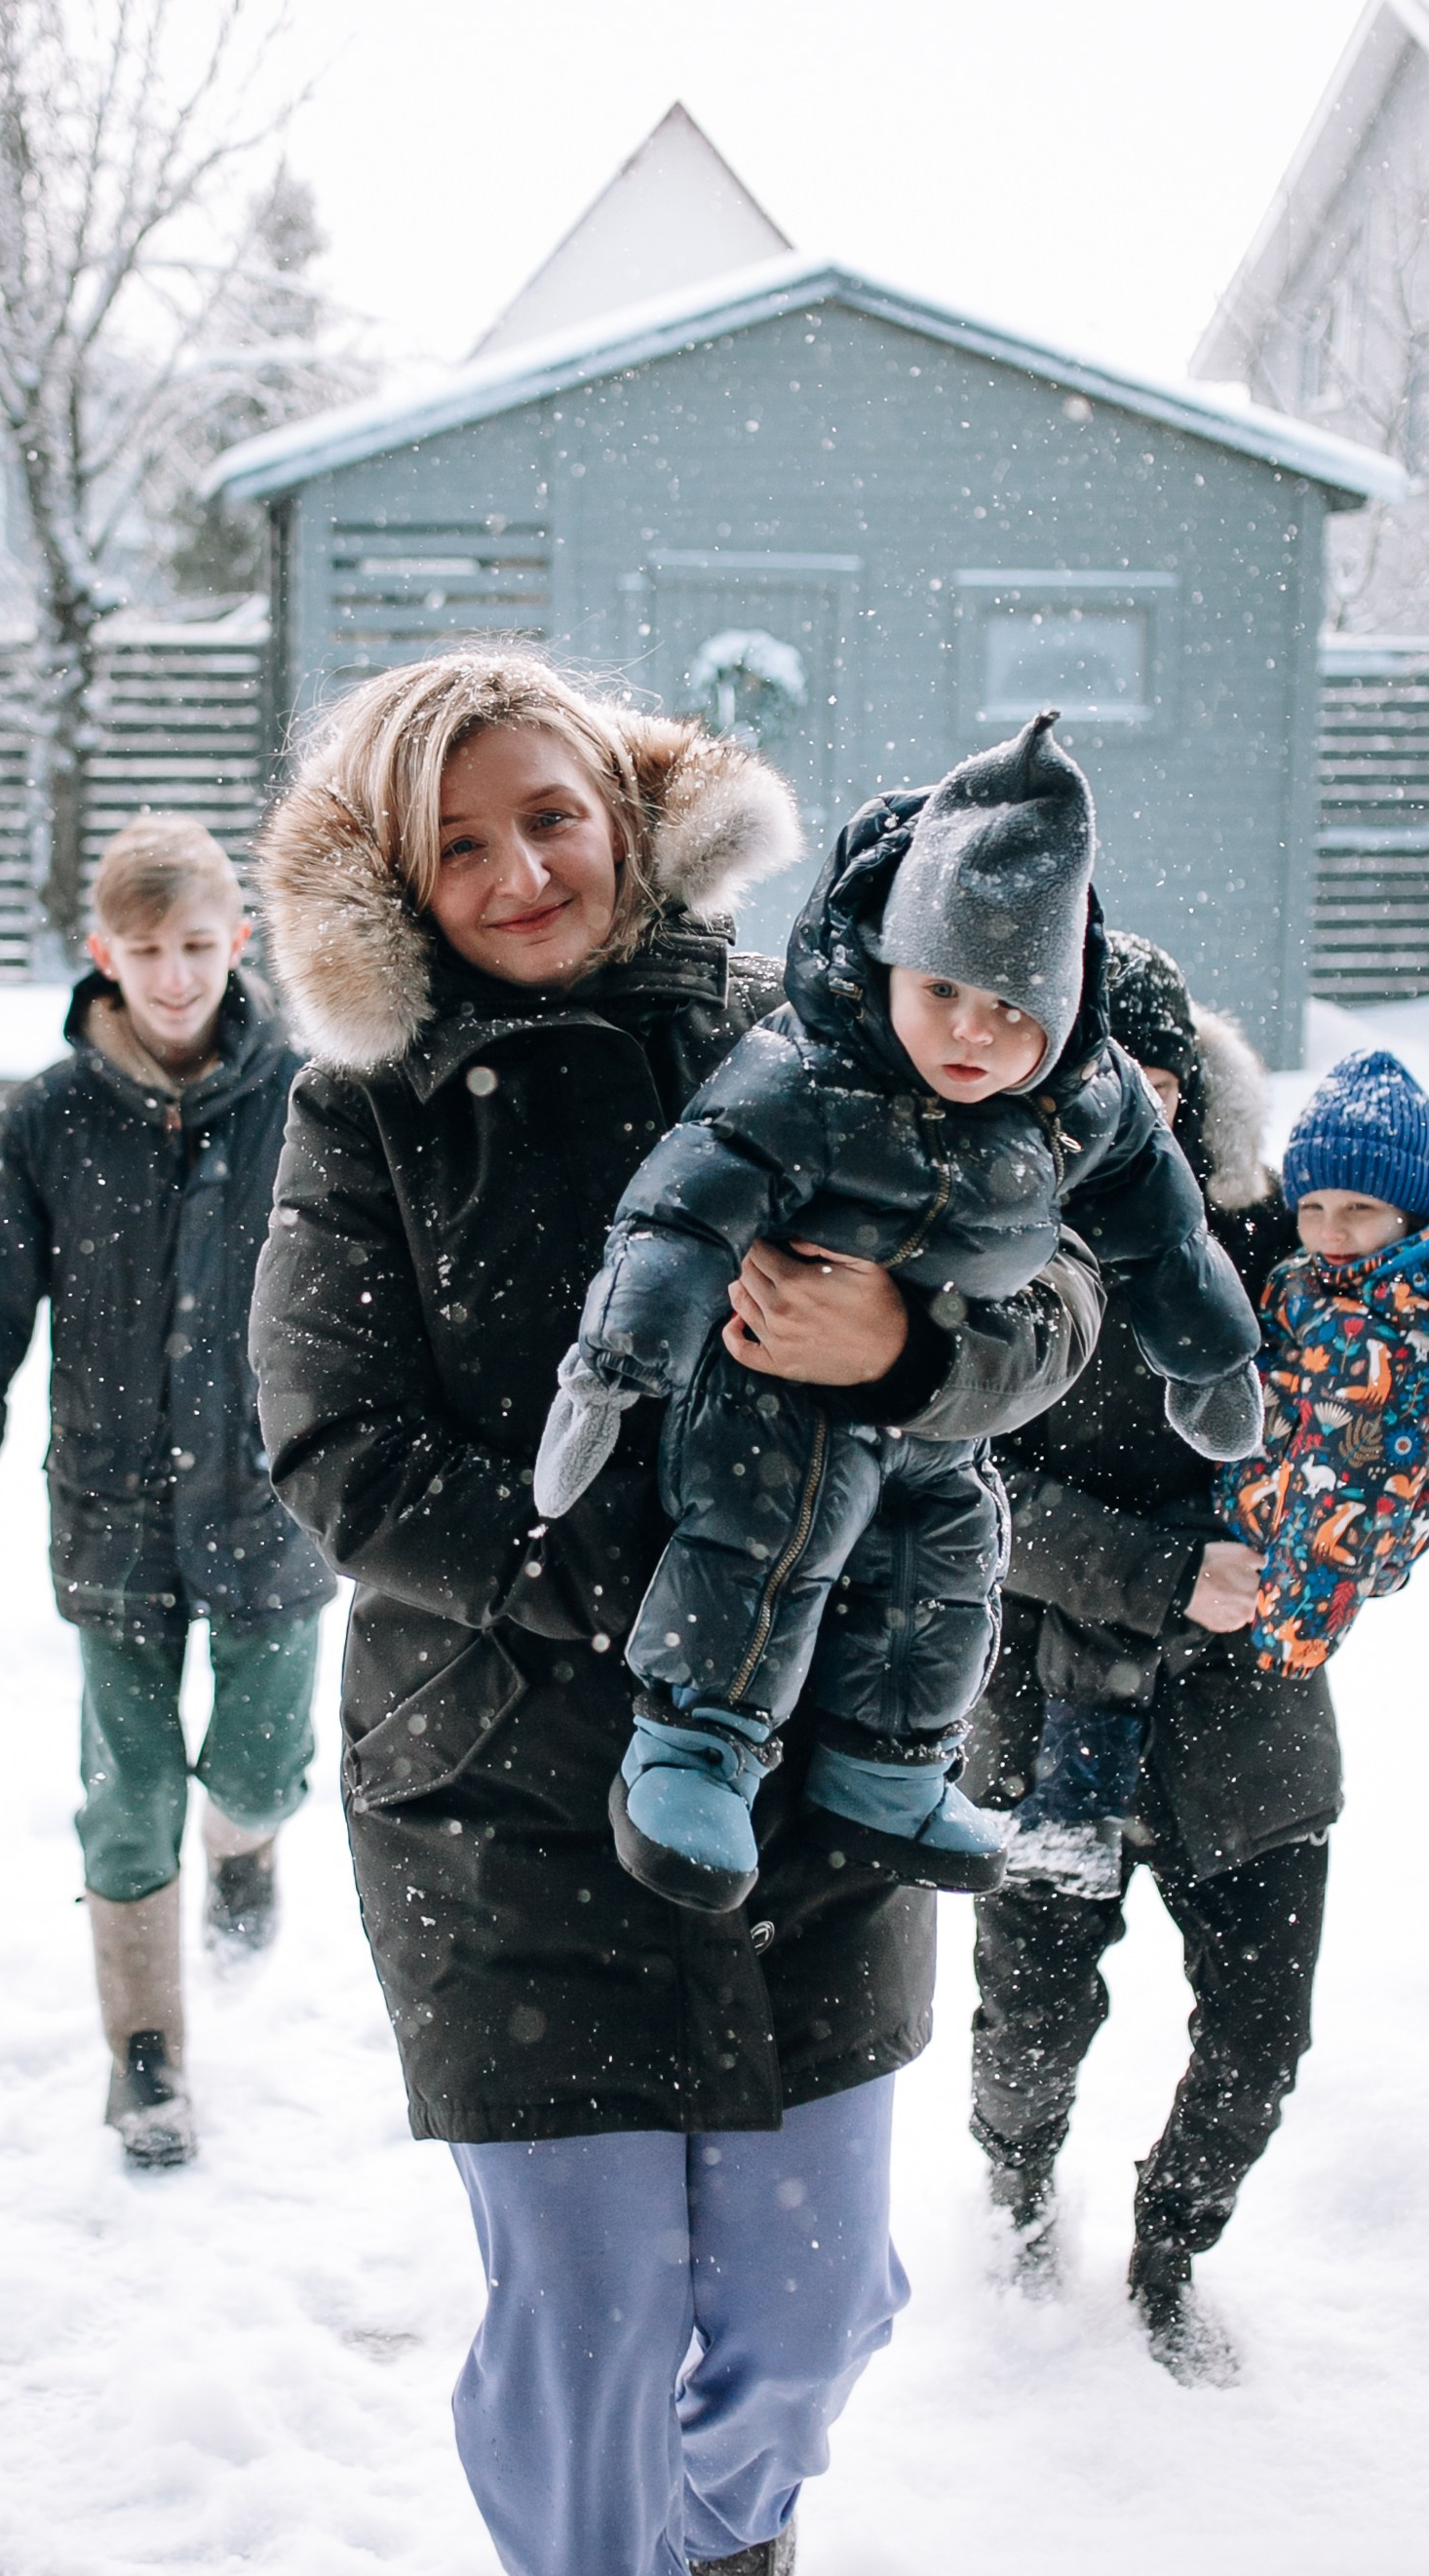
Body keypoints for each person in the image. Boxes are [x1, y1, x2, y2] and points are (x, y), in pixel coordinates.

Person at [247, 650, 1104, 2576]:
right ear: (394, 886)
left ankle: (722, 2510)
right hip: (495, 1793)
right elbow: (334, 1450)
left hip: (808, 1776)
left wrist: (907, 1345)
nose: (517, 868)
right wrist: (642, 1587)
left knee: (819, 2300)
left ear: (624, 808)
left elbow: (1060, 1300)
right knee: (587, 2310)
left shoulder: (817, 1036)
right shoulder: (363, 1112)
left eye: (544, 811)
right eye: (455, 844)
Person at [533, 713, 1263, 1916]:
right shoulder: (800, 1072)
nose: (975, 1033)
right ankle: (694, 1745)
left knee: (951, 1563)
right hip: (769, 1387)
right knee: (763, 1550)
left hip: (939, 1407)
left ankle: (890, 1766)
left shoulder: (1084, 1096)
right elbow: (680, 1208)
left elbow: (1158, 1225)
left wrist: (1207, 1353)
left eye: (1015, 1006)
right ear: (886, 965)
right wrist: (614, 1366)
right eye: (943, 990)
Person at [0, 812, 333, 2170]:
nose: (173, 977)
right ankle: (145, 2054)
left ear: (239, 944)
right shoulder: (50, 1122)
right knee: (127, 1788)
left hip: (274, 1512)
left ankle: (247, 1844)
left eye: (198, 947)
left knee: (259, 1766)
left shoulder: (308, 1097)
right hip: (113, 1519)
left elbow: (383, 1299)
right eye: (144, 951)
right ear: (101, 954)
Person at [962, 932, 1332, 2380]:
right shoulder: (990, 1252)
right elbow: (963, 1485)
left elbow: (1403, 1346)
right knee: (1033, 2019)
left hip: (1254, 1706)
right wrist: (1166, 1570)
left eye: (1158, 1072)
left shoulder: (1278, 1231)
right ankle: (1011, 2208)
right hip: (1049, 1699)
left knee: (1258, 2031)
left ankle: (1173, 2248)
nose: (1136, 1103)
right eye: (1099, 1074)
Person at [1219, 1046, 1429, 1678]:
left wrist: (1287, 1639)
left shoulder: (1383, 1333)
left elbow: (1347, 1487)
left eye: (1359, 1209)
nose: (1330, 1232)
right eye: (1312, 1208)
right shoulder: (1335, 1279)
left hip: (1278, 1592)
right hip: (1261, 1538)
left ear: (1408, 1212)